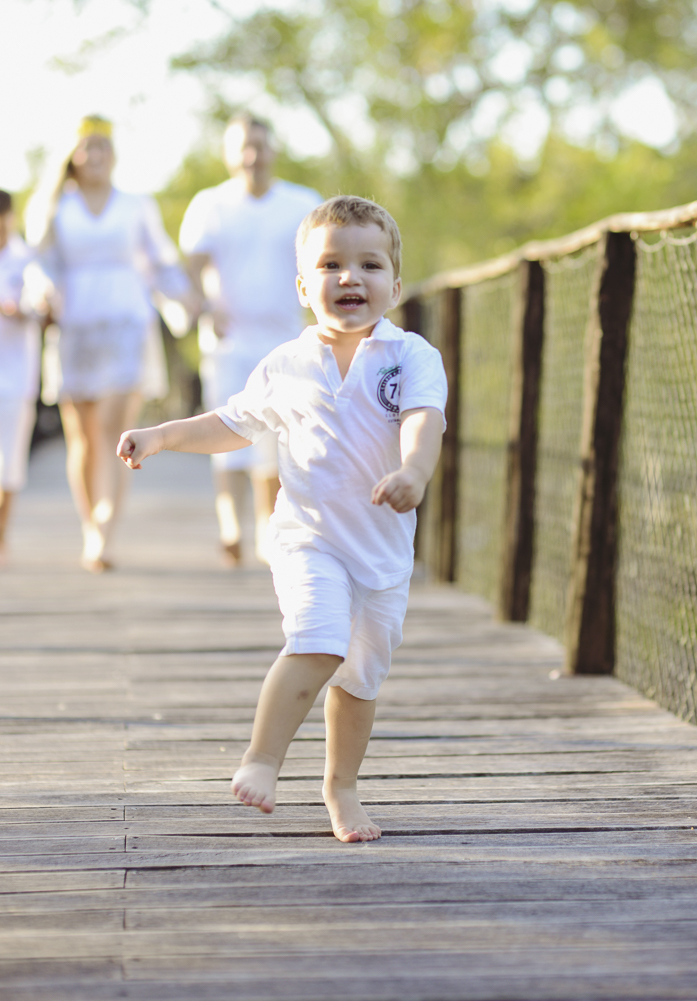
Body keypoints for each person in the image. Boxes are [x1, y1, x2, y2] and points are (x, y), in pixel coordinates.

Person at [118, 196, 447, 842]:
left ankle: (341, 787)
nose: (350, 276)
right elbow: (231, 423)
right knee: (317, 641)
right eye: (330, 264)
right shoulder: (286, 363)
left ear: (394, 285)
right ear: (302, 287)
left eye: (369, 265)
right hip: (308, 540)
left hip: (381, 554)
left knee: (360, 677)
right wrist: (162, 436)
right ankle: (262, 759)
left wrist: (414, 471)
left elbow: (423, 418)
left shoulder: (410, 355)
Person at [26, 116, 194, 572]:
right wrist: (42, 290)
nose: (95, 155)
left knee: (116, 432)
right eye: (87, 147)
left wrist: (188, 298)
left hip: (127, 324)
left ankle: (107, 526)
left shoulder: (136, 205)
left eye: (103, 146)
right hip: (75, 328)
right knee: (83, 439)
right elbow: (39, 262)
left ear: (113, 154)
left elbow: (162, 260)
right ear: (73, 156)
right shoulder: (55, 208)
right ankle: (90, 525)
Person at [179, 114, 322, 566]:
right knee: (226, 429)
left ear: (272, 150)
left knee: (277, 436)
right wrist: (205, 306)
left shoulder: (303, 203)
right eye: (243, 146)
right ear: (228, 153)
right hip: (228, 340)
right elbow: (191, 266)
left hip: (286, 339)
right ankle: (231, 528)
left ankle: (265, 529)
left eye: (259, 145)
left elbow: (325, 262)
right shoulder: (210, 204)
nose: (252, 156)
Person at [0, 190, 42, 565]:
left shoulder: (27, 259)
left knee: (8, 460)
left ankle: (1, 536)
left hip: (13, 376)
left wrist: (22, 308)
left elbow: (40, 301)